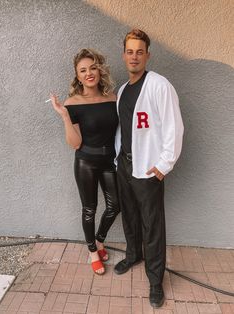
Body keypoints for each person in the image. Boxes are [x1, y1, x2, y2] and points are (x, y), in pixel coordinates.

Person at [114, 29, 184, 308]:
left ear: (147, 55)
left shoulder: (158, 85)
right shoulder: (122, 90)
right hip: (126, 165)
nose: (134, 56)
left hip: (148, 169)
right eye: (130, 51)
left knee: (152, 225)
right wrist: (117, 159)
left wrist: (165, 164)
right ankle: (133, 255)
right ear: (124, 55)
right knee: (129, 216)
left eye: (139, 51)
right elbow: (123, 128)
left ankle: (155, 281)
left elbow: (174, 127)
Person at [50, 48, 120, 275]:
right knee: (89, 209)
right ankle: (92, 251)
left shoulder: (113, 98)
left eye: (92, 68)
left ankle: (99, 241)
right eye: (83, 70)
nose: (88, 73)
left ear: (99, 70)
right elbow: (75, 143)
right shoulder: (73, 103)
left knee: (115, 205)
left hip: (110, 161)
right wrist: (64, 116)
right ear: (77, 76)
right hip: (86, 162)